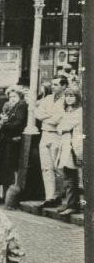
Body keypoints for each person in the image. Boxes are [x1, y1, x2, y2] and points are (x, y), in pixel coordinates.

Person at [0, 86, 28, 205]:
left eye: (15, 96)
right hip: (3, 140)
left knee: (5, 166)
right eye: (10, 96)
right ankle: (0, 194)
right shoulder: (10, 107)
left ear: (20, 97)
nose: (12, 99)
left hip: (9, 140)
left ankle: (4, 195)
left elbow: (18, 123)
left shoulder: (21, 106)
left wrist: (4, 123)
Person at [35, 76, 68, 208]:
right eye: (52, 84)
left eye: (56, 84)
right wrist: (49, 116)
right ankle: (49, 196)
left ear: (64, 86)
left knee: (57, 168)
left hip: (57, 135)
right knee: (46, 167)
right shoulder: (47, 99)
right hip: (45, 134)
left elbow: (59, 118)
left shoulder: (66, 100)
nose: (53, 87)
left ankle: (58, 196)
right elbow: (37, 113)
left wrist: (46, 117)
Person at [56, 87, 83, 216]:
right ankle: (69, 202)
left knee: (71, 177)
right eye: (67, 96)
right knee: (67, 176)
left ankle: (73, 205)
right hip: (66, 146)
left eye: (72, 96)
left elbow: (64, 126)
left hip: (73, 147)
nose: (69, 98)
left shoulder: (78, 111)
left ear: (77, 97)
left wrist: (61, 127)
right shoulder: (68, 110)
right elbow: (60, 126)